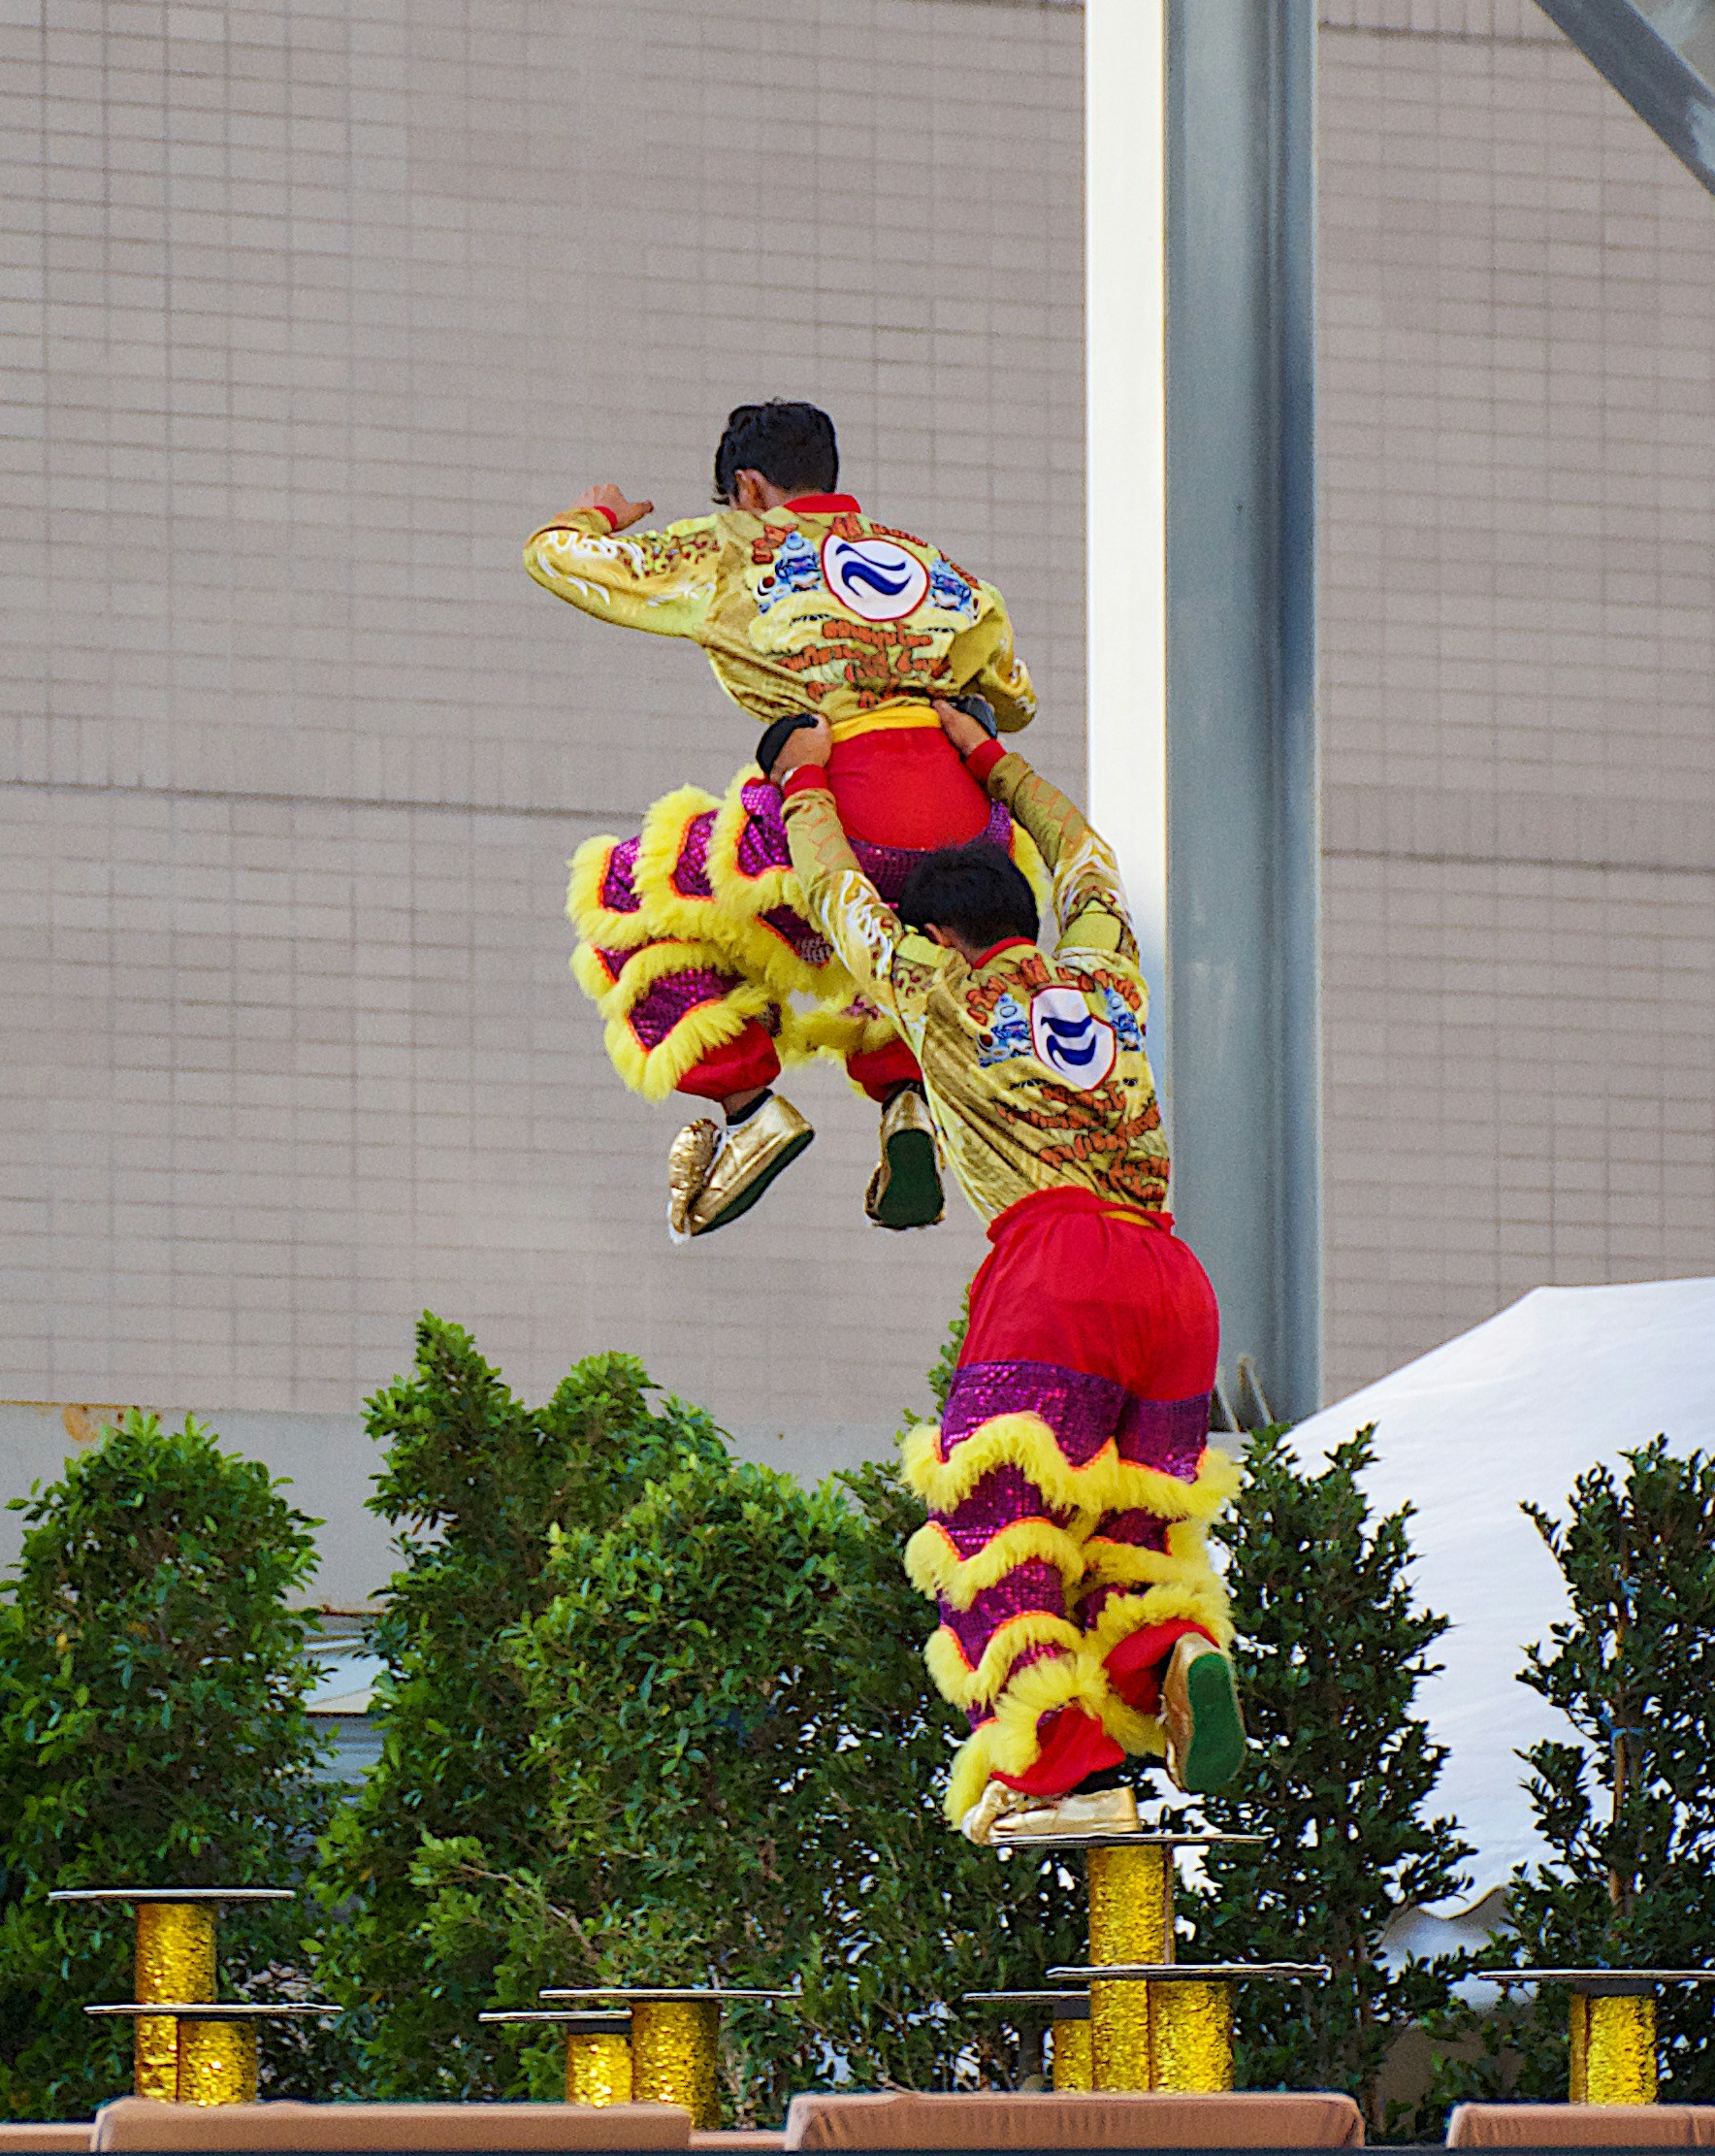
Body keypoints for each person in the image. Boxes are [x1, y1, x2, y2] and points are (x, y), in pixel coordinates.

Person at [774, 700, 1242, 1842]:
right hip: (1174, 1281)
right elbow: (1085, 855)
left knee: (995, 1518)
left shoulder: (935, 989)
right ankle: (1171, 1653)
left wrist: (802, 780)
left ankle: (1063, 1773)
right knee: (1128, 1533)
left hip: (1055, 1267)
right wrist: (989, 756)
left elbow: (835, 895)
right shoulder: (1109, 978)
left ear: (939, 936)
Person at [530, 401, 1040, 1240]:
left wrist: (600, 516)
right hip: (969, 827)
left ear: (749, 486)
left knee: (628, 894)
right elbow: (1014, 698)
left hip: (840, 807)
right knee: (889, 942)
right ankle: (907, 1101)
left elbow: (555, 559)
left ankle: (749, 1105)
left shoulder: (733, 547)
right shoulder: (934, 569)